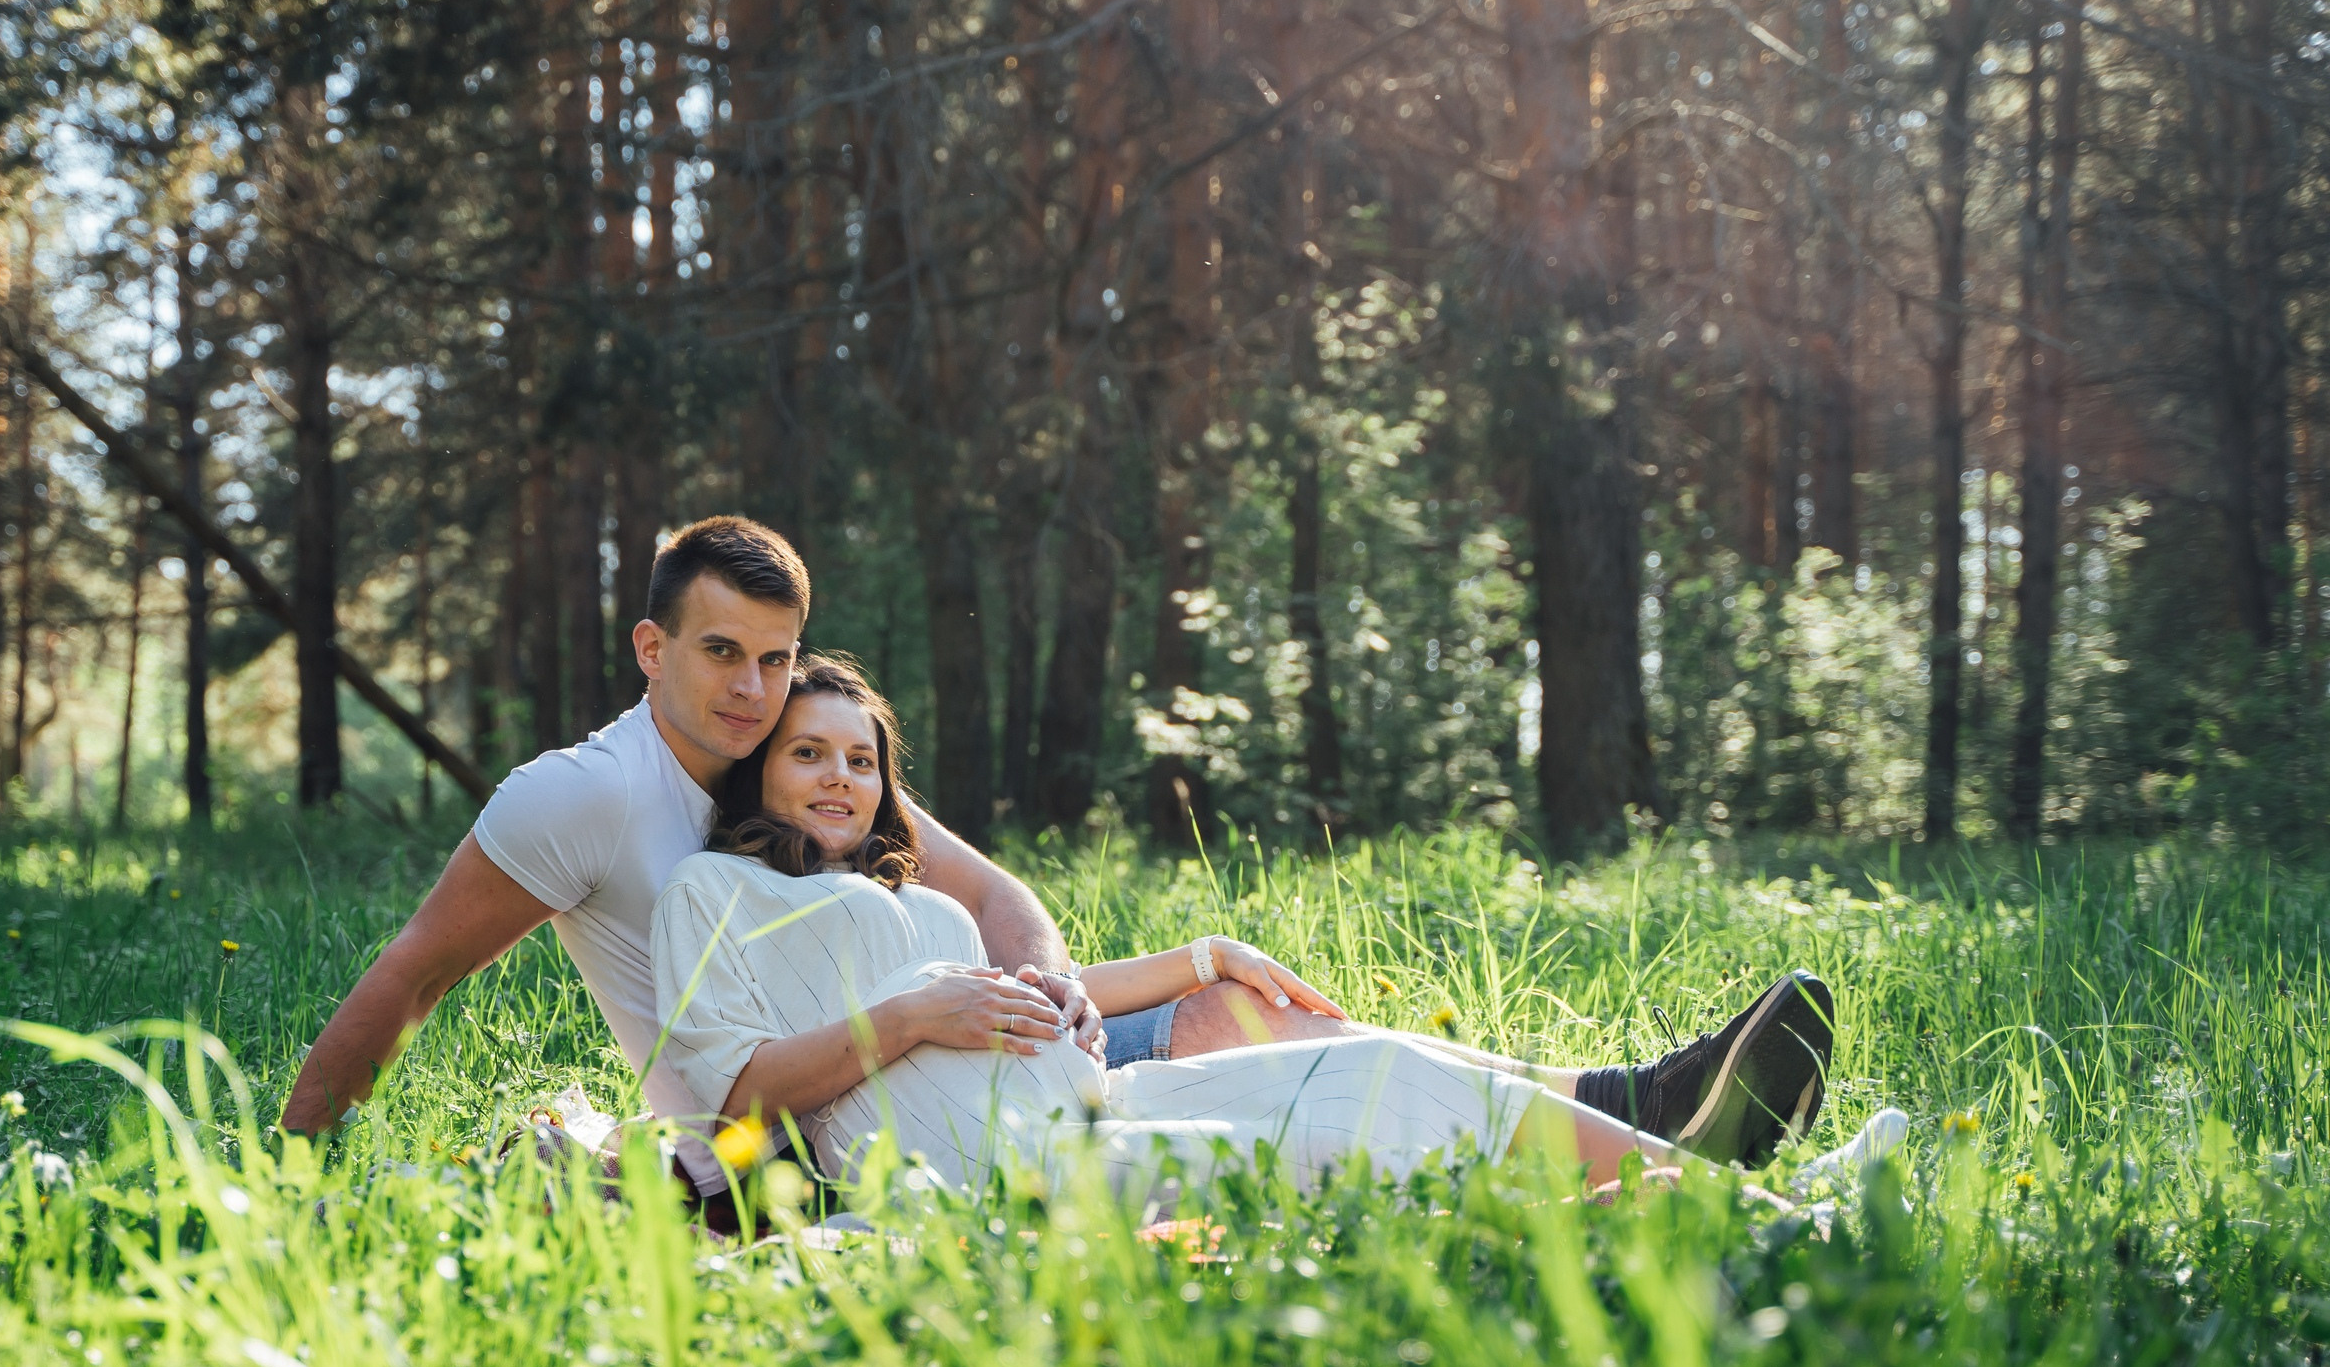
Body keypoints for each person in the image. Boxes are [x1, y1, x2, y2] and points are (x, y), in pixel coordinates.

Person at [280, 514, 1829, 1204]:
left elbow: (989, 891)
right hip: (831, 1104)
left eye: (779, 656)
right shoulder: (586, 799)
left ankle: (1618, 1114)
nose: (755, 687)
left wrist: (1042, 986)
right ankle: (1626, 1119)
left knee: (1233, 1004)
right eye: (721, 654)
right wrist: (298, 1164)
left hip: (1003, 1041)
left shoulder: (803, 769)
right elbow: (409, 975)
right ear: (651, 646)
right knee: (1244, 1042)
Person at [652, 654, 1834, 1204]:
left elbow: (1032, 1000)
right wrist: (911, 1014)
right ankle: (1762, 1213)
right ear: (755, 767)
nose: (838, 778)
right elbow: (731, 1094)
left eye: (861, 760)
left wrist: (1177, 963)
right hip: (1012, 1176)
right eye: (807, 753)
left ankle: (1723, 1185)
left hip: (1095, 1105)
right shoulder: (709, 896)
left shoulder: (913, 901)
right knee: (1358, 1146)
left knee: (1383, 1063)